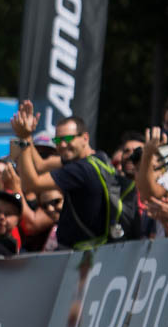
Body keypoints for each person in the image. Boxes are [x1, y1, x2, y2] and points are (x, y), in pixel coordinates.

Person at [10, 103, 118, 249]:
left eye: (67, 139)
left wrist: (22, 140)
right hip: (92, 248)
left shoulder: (80, 169)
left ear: (85, 138)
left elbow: (30, 184)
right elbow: (41, 165)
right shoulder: (99, 158)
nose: (62, 145)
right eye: (57, 140)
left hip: (81, 253)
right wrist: (28, 135)